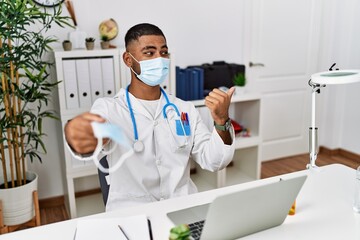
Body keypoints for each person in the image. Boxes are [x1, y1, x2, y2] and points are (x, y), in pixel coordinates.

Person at [64, 23, 236, 211]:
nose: (159, 59)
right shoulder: (109, 109)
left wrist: (221, 121)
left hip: (182, 208)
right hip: (131, 213)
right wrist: (76, 133)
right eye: (149, 53)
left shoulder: (183, 109)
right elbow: (91, 134)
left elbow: (215, 161)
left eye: (163, 53)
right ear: (128, 60)